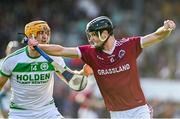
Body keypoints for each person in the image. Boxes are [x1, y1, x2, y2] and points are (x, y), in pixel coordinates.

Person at [28, 16, 176, 118]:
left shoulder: (129, 45)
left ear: (105, 33)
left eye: (93, 35)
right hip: (116, 113)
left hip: (138, 111)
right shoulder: (90, 53)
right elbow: (61, 50)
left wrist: (166, 29)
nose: (90, 39)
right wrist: (38, 46)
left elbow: (155, 36)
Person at [0, 20, 88, 119]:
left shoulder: (54, 57)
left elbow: (68, 77)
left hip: (47, 111)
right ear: (30, 36)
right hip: (20, 113)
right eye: (41, 33)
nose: (45, 36)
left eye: (47, 33)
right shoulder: (12, 60)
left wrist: (82, 73)